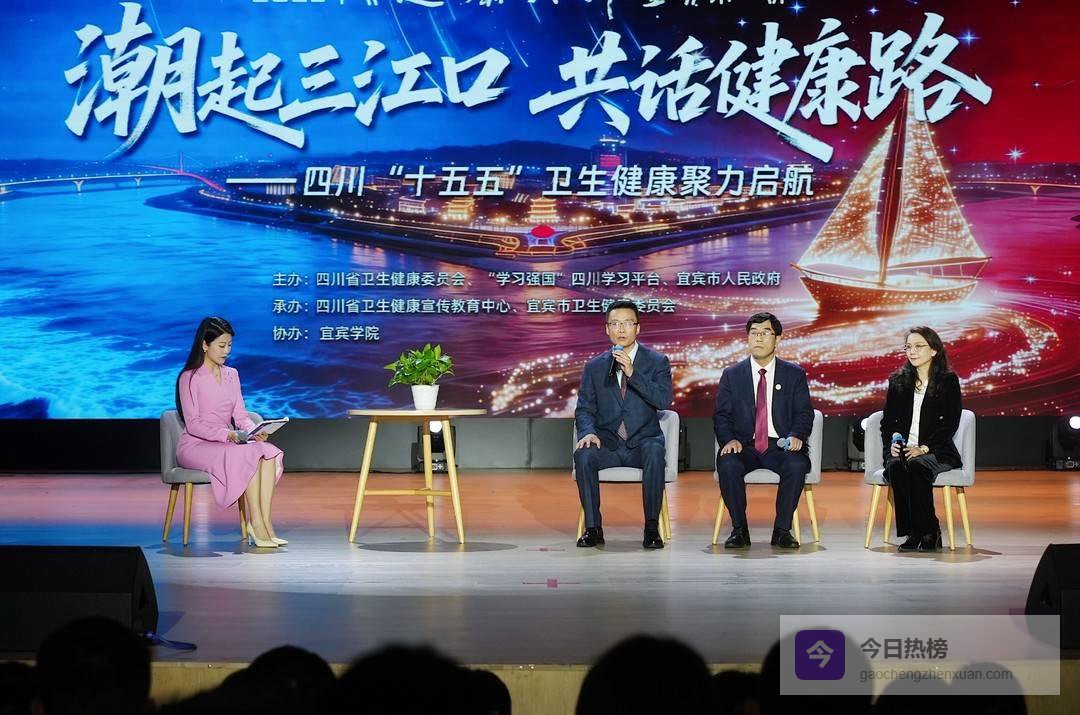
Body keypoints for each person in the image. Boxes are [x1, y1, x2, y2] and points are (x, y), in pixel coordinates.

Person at [176, 317, 285, 548]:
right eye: (221, 345)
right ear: (205, 345)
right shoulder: (189, 377)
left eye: (229, 345)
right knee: (246, 454)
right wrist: (229, 435)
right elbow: (193, 425)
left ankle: (265, 523)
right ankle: (256, 524)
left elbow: (241, 416)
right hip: (196, 445)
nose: (227, 351)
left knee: (268, 451)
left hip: (226, 442)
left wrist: (254, 431)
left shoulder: (232, 374)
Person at [573, 300, 673, 549]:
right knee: (584, 455)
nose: (621, 329)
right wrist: (587, 432)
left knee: (655, 451)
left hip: (643, 442)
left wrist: (632, 373)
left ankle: (652, 528)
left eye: (627, 323)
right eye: (615, 324)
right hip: (608, 443)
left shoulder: (657, 361)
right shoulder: (595, 367)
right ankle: (593, 528)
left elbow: (663, 400)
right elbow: (584, 408)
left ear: (637, 328)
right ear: (607, 329)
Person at [713, 313, 813, 549]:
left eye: (765, 333)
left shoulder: (794, 374)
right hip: (744, 445)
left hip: (780, 445)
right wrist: (729, 440)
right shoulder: (732, 374)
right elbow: (721, 415)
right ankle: (739, 530)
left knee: (797, 464)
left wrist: (796, 435)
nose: (758, 338)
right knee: (728, 464)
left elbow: (804, 413)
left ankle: (782, 530)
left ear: (777, 339)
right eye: (753, 333)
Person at [880, 326, 962, 553]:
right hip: (903, 449)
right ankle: (913, 533)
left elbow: (950, 424)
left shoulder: (947, 381)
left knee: (916, 467)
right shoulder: (898, 381)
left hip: (936, 450)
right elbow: (888, 422)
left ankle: (929, 531)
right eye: (908, 347)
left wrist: (924, 448)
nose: (912, 352)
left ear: (934, 350)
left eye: (918, 346)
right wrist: (892, 445)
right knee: (897, 467)